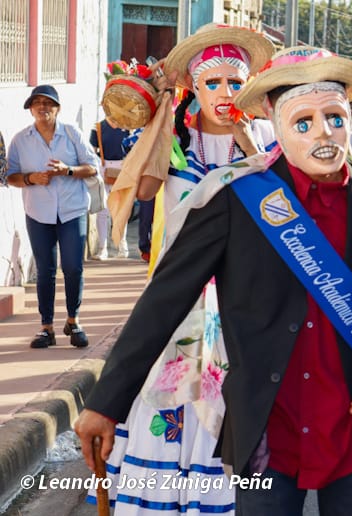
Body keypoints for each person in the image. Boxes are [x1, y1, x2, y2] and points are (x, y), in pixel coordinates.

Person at [75, 45, 352, 516]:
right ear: (277, 125)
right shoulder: (235, 198)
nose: (324, 133)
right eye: (304, 122)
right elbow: (164, 302)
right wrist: (106, 402)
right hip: (267, 431)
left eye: (335, 117)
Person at [80, 25, 277, 514]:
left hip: (239, 300)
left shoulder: (267, 137)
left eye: (236, 83)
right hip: (178, 301)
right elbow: (142, 192)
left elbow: (281, 206)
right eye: (213, 84)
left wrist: (247, 140)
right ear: (196, 88)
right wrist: (162, 117)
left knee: (225, 402)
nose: (225, 94)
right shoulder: (175, 141)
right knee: (165, 399)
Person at [5, 85, 100, 349]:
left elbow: (93, 168)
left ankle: (73, 321)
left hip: (72, 210)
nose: (43, 107)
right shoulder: (20, 140)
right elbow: (10, 175)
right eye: (37, 103)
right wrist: (30, 178)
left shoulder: (71, 134)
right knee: (45, 271)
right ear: (30, 109)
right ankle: (46, 327)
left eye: (48, 103)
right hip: (38, 212)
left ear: (57, 108)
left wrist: (67, 170)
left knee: (73, 267)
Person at [89, 118, 130, 259]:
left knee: (120, 209)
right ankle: (103, 248)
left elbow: (133, 150)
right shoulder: (98, 127)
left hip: (122, 168)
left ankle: (122, 246)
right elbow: (92, 153)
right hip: (103, 168)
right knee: (102, 210)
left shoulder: (127, 126)